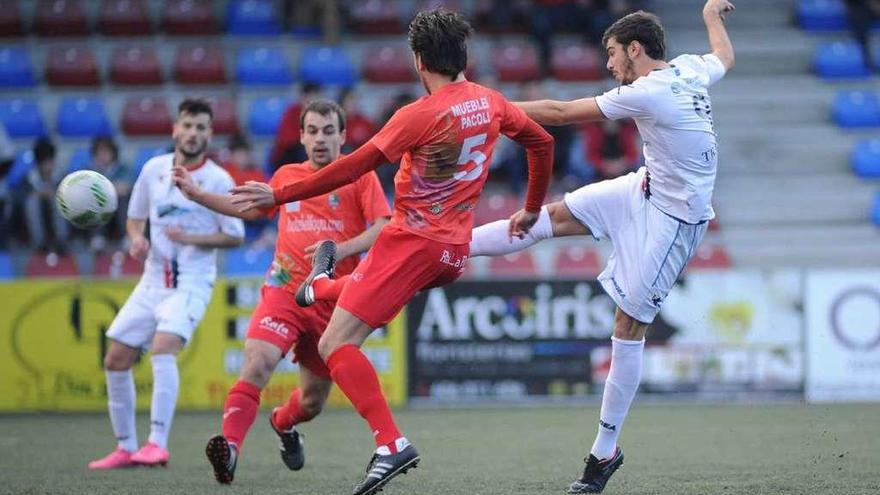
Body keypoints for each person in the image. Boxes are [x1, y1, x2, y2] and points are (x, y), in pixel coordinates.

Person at [229, 9, 555, 495]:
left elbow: (351, 166)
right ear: (462, 54)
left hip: (411, 243)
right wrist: (530, 208)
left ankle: (390, 445)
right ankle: (321, 286)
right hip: (453, 252)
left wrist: (279, 195)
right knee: (352, 299)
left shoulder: (419, 114)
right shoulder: (492, 102)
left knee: (334, 344)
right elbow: (543, 141)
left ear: (419, 60)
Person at [468, 2, 736, 493]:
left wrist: (483, 106)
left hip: (674, 224)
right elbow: (724, 56)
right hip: (645, 189)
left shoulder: (650, 91)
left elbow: (560, 113)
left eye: (613, 54)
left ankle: (603, 452)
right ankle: (449, 248)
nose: (610, 65)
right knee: (550, 216)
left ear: (635, 49)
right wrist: (709, 15)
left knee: (627, 327)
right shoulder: (691, 70)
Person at [172, 99, 391, 484]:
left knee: (311, 402)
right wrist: (197, 195)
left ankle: (283, 424)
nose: (320, 139)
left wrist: (338, 250)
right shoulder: (288, 174)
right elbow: (251, 209)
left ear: (342, 135)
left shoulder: (359, 175)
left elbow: (382, 228)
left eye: (328, 131)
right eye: (312, 131)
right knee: (256, 364)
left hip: (331, 302)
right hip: (283, 290)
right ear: (302, 137)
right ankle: (231, 450)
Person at [88, 99, 245, 470]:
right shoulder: (153, 170)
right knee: (115, 358)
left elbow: (235, 235)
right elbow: (135, 219)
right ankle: (126, 447)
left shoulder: (219, 180)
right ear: (175, 128)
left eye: (201, 127)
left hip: (191, 282)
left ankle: (157, 444)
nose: (193, 133)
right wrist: (136, 239)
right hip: (152, 281)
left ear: (210, 134)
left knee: (162, 349)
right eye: (187, 125)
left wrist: (192, 239)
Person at [23, 137, 68, 253]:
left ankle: (61, 241)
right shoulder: (29, 178)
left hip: (60, 216)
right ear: (38, 163)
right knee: (31, 202)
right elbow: (20, 198)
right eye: (44, 162)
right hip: (38, 214)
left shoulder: (63, 176)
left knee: (59, 199)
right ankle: (39, 243)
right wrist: (38, 194)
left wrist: (53, 193)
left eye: (50, 161)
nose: (47, 166)